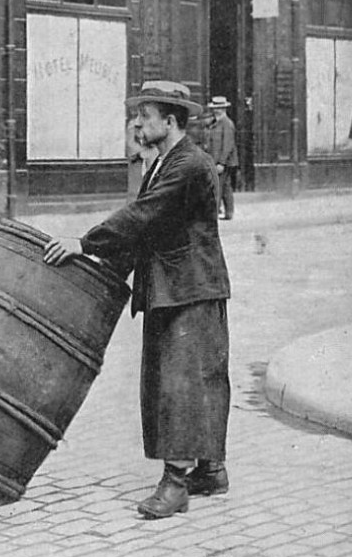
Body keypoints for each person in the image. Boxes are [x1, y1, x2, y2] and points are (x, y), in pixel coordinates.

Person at [43, 80, 231, 520]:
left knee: (179, 384)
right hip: (179, 286)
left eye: (146, 116)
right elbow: (148, 229)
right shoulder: (166, 162)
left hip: (189, 289)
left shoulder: (187, 165)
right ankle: (210, 468)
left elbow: (141, 217)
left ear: (170, 121)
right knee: (194, 378)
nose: (138, 123)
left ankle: (177, 483)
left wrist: (84, 242)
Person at [202, 96, 239, 221]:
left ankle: (215, 212)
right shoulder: (216, 123)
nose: (216, 110)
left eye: (219, 108)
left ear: (224, 109)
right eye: (215, 108)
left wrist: (221, 163)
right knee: (225, 186)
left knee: (217, 186)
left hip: (222, 162)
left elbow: (228, 145)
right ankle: (229, 212)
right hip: (216, 161)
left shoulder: (227, 124)